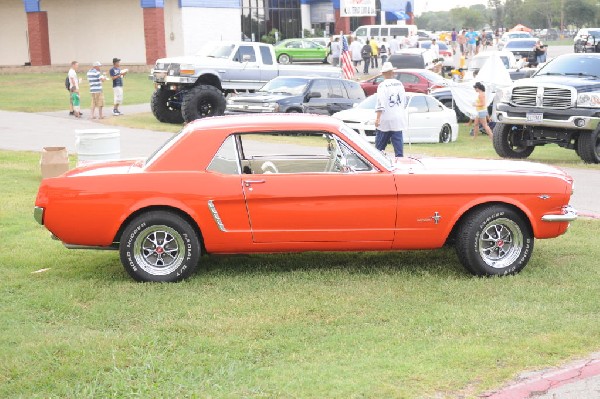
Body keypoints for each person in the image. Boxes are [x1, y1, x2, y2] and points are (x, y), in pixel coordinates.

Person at [374, 62, 408, 157]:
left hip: (386, 118)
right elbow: (404, 101)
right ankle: (400, 162)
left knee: (379, 150)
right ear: (392, 72)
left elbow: (381, 102)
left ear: (383, 73)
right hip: (398, 118)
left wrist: (377, 118)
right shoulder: (399, 84)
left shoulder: (382, 85)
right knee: (398, 149)